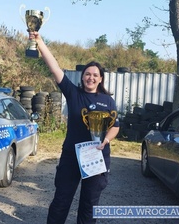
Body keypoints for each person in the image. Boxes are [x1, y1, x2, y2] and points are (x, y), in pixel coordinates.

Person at [29, 31, 120, 224]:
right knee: (62, 200)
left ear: (101, 79)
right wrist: (40, 42)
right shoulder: (73, 93)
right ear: (82, 76)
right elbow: (54, 69)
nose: (91, 77)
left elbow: (115, 127)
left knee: (89, 204)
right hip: (72, 155)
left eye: (95, 75)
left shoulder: (108, 101)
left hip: (96, 156)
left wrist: (106, 139)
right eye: (88, 74)